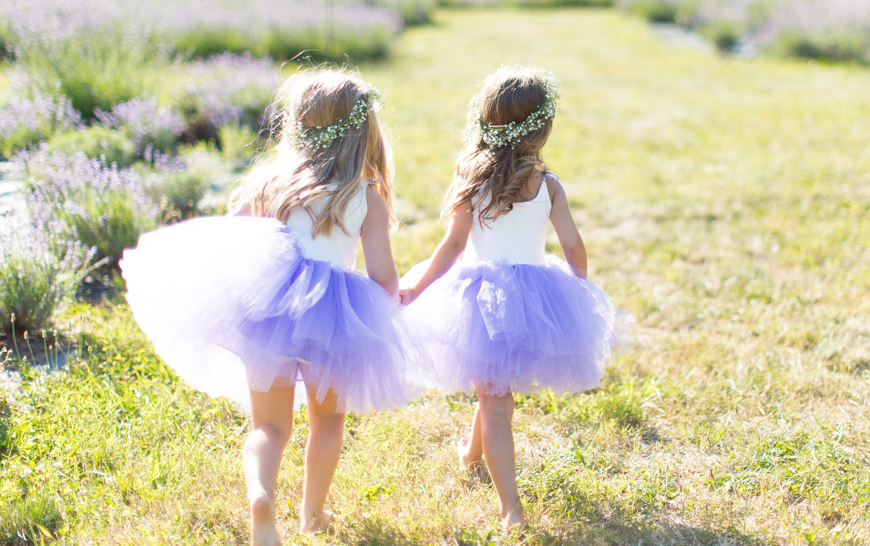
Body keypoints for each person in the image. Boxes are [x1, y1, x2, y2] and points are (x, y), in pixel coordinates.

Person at [121, 69, 422, 544]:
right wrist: (386, 309)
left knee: (269, 426)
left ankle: (261, 498)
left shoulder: (269, 184)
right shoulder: (365, 196)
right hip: (336, 320)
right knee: (327, 420)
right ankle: (312, 514)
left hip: (269, 314)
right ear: (363, 132)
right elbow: (384, 274)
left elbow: (233, 240)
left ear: (297, 128)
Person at [400, 65, 632, 533]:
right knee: (494, 386)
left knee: (496, 396)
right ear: (543, 127)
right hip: (531, 297)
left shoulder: (472, 179)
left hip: (480, 297)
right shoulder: (548, 185)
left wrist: (418, 288)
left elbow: (450, 247)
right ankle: (482, 468)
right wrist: (577, 285)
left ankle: (509, 507)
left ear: (484, 121)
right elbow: (572, 246)